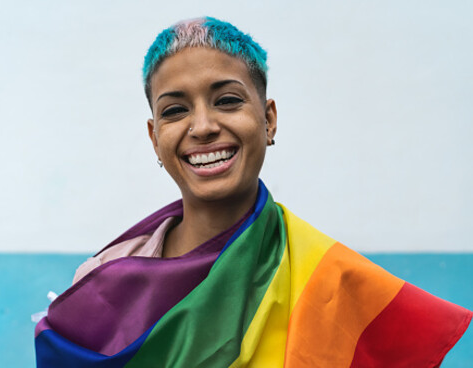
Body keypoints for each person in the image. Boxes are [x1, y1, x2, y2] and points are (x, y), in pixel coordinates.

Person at [35, 17, 471, 367]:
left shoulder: (332, 284)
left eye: (227, 101)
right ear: (155, 137)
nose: (203, 127)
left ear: (269, 120)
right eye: (175, 110)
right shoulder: (103, 279)